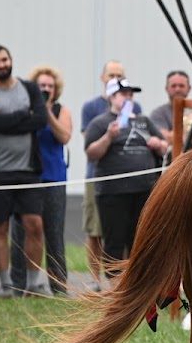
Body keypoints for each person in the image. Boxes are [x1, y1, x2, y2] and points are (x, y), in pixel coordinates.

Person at [0, 45, 49, 297]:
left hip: (28, 171)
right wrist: (21, 116)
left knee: (34, 224)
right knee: (0, 227)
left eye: (4, 59)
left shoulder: (30, 89)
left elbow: (39, 120)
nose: (2, 64)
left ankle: (33, 284)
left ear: (11, 60)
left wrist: (4, 119)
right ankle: (6, 284)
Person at [84, 78, 168, 280]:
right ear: (111, 97)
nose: (129, 97)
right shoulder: (100, 122)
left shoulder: (143, 120)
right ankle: (114, 288)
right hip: (113, 192)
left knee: (139, 240)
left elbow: (165, 147)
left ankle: (136, 285)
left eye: (131, 94)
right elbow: (91, 153)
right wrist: (108, 137)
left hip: (144, 189)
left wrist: (159, 144)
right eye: (124, 94)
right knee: (114, 241)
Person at [9, 66, 72, 296]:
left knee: (54, 232)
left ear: (56, 90)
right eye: (41, 86)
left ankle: (58, 286)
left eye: (50, 86)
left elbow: (64, 136)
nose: (45, 89)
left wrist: (47, 113)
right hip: (26, 176)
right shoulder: (24, 109)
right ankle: (19, 285)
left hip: (53, 177)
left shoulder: (60, 110)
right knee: (20, 232)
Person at [81, 61, 141, 291]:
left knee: (127, 231)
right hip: (99, 179)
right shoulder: (91, 108)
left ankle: (127, 280)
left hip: (131, 182)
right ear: (103, 78)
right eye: (111, 75)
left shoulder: (136, 107)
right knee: (96, 230)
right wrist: (109, 135)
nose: (115, 77)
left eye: (119, 75)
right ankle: (95, 280)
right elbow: (90, 145)